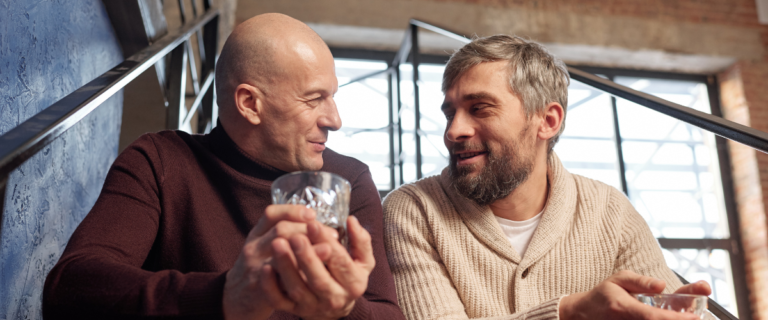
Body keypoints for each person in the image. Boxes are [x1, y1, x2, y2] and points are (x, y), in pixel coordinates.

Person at [43, 13, 404, 320]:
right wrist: (225, 297)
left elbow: (386, 313)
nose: (335, 120)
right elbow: (70, 287)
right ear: (250, 103)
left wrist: (344, 309)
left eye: (333, 97)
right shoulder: (160, 160)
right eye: (314, 99)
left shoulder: (347, 180)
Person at [382, 35, 712, 320]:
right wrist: (569, 313)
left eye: (480, 108)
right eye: (450, 113)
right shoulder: (414, 210)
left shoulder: (609, 211)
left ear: (548, 121)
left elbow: (666, 303)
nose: (454, 131)